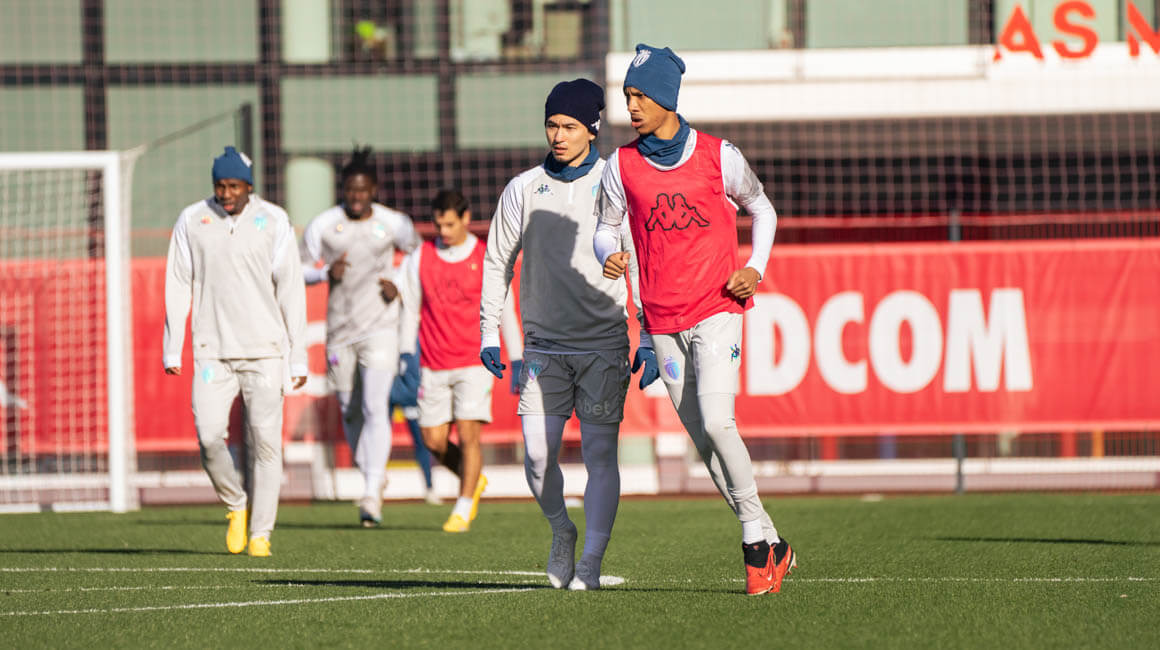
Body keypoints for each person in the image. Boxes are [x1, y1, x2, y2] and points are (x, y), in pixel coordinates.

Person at [593, 44, 796, 596]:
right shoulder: (620, 167)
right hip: (662, 323)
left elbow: (763, 208)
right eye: (627, 96)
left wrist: (755, 268)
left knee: (719, 423)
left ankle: (754, 544)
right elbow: (606, 227)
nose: (631, 106)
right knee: (704, 444)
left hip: (717, 309)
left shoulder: (718, 155)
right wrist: (607, 253)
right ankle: (774, 540)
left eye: (640, 95)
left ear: (666, 96)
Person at [479, 79, 647, 590]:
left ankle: (591, 561)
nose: (558, 135)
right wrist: (489, 332)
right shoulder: (523, 188)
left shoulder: (616, 182)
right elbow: (496, 263)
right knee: (536, 457)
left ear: (591, 129)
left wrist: (649, 332)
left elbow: (640, 261)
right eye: (551, 125)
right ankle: (561, 530)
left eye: (569, 126)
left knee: (599, 455)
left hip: (603, 345)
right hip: (542, 348)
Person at [163, 146, 307, 558]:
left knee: (266, 444)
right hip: (212, 351)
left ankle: (261, 533)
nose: (225, 194)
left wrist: (297, 355)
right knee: (209, 437)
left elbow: (291, 289)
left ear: (249, 186)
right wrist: (173, 347)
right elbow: (178, 282)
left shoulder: (274, 220)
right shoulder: (193, 219)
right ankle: (235, 503)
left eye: (233, 186)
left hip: (265, 352)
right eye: (219, 186)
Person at [299, 145, 420, 527]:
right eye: (351, 190)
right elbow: (297, 270)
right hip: (340, 332)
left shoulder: (393, 223)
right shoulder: (324, 225)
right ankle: (372, 474)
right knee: (349, 409)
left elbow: (418, 257)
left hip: (381, 327)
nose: (356, 197)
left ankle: (370, 494)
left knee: (374, 406)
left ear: (373, 190)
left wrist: (399, 282)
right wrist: (324, 273)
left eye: (363, 190)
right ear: (344, 190)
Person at [397, 189, 522, 532]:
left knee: (469, 435)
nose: (445, 231)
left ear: (466, 219)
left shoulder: (487, 257)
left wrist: (516, 358)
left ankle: (463, 508)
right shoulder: (420, 257)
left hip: (474, 361)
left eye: (450, 224)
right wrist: (406, 354)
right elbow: (410, 309)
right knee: (433, 440)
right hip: (433, 363)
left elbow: (505, 311)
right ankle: (473, 479)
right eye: (439, 225)